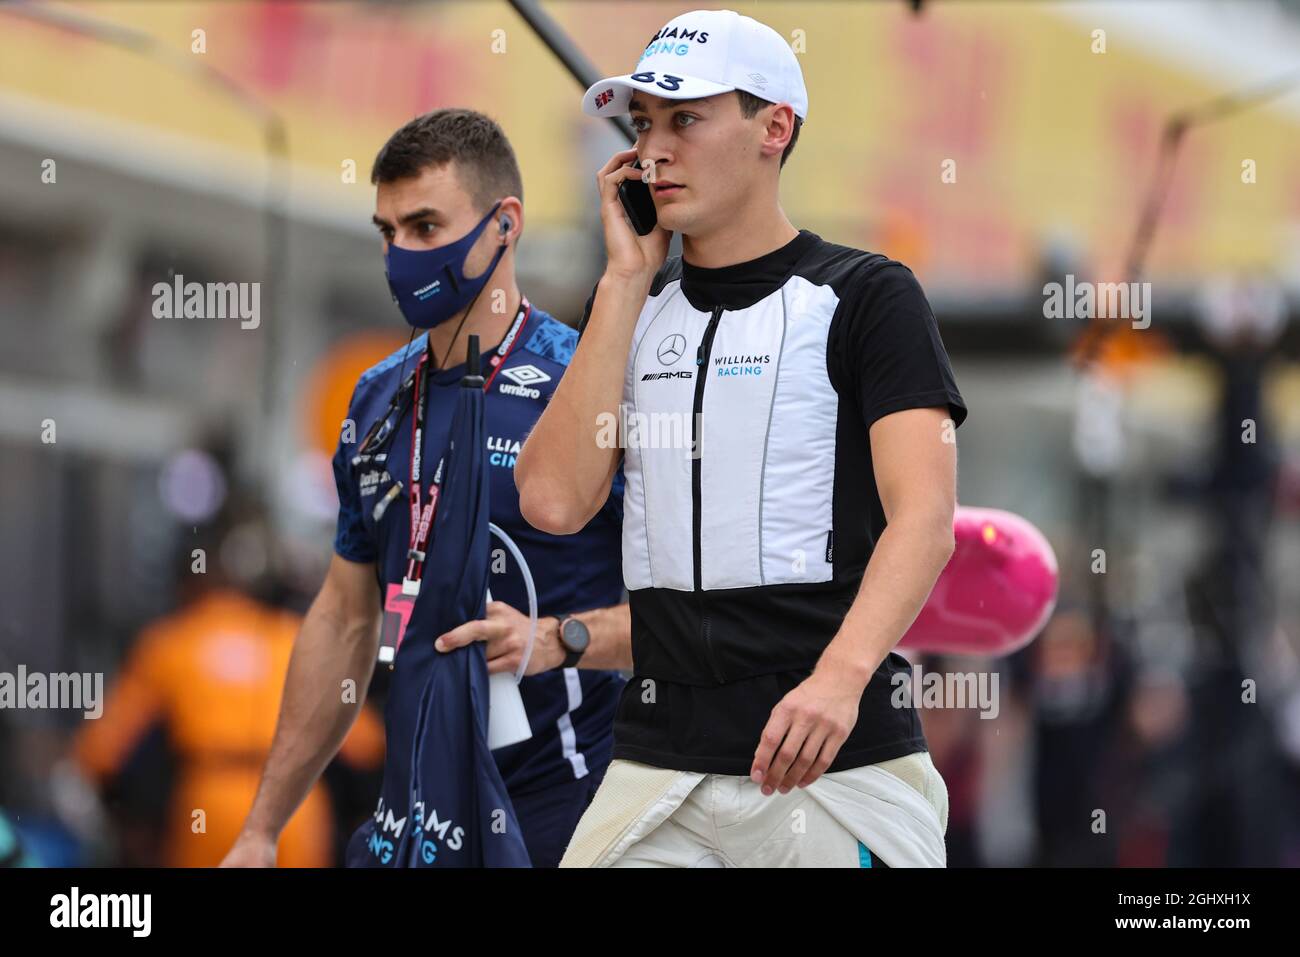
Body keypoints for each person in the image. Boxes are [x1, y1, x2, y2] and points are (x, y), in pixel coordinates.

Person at [517, 9, 967, 867]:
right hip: (655, 766)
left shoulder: (870, 295)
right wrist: (622, 277)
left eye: (685, 118)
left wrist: (838, 682)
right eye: (643, 123)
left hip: (832, 760)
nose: (655, 148)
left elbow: (926, 518)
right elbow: (553, 500)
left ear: (775, 127)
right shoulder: (633, 303)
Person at [222, 109, 632, 869]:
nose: (401, 255)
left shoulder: (588, 380)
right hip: (410, 819)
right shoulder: (375, 398)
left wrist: (560, 640)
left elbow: (691, 612)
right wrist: (261, 827)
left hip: (561, 818)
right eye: (388, 231)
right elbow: (345, 619)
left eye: (425, 226)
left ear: (503, 224)